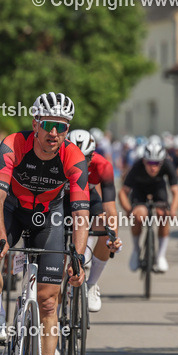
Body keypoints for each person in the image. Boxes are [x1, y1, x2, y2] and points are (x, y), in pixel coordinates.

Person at [0, 92, 89, 355]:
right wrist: (0, 236)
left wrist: (79, 256)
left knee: (49, 301)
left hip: (49, 216)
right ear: (35, 124)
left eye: (62, 127)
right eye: (49, 125)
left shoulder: (73, 156)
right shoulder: (13, 144)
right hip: (11, 208)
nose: (55, 133)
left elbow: (81, 214)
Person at [67, 129, 122, 312]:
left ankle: (92, 285)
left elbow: (109, 207)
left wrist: (113, 236)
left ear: (93, 155)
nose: (81, 163)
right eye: (75, 157)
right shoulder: (55, 161)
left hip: (88, 199)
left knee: (105, 228)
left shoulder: (103, 166)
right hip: (62, 200)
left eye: (86, 159)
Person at [119, 140, 178, 273]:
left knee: (163, 216)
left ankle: (161, 256)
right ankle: (136, 250)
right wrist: (129, 210)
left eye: (157, 164)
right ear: (144, 161)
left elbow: (176, 191)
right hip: (139, 191)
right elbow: (123, 192)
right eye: (150, 163)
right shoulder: (137, 166)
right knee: (139, 216)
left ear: (162, 162)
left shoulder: (168, 165)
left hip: (158, 190)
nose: (153, 167)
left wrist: (173, 210)